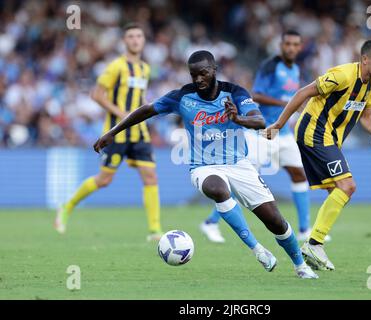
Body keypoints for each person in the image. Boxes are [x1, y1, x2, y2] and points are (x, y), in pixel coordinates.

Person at [93, 50, 318, 279]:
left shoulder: (235, 93)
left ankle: (300, 265)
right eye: (193, 75)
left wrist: (238, 119)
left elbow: (259, 120)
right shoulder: (183, 97)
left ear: (214, 70)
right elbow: (146, 110)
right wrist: (113, 132)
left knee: (276, 221)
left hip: (238, 164)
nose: (198, 79)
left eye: (203, 73)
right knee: (218, 189)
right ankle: (257, 249)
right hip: (203, 167)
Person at [265, 39, 371, 271]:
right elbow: (303, 92)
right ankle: (314, 244)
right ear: (365, 59)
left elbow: (366, 114)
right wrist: (279, 124)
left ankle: (313, 246)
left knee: (338, 191)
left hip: (330, 138)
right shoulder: (342, 75)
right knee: (348, 186)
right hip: (314, 132)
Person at [200, 30, 330, 243]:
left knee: (299, 175)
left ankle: (305, 229)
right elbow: (256, 94)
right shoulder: (270, 66)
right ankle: (211, 222)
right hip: (262, 132)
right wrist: (288, 104)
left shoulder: (295, 69)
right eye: (287, 43)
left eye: (295, 44)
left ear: (299, 47)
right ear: (281, 45)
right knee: (242, 181)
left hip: (284, 133)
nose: (291, 47)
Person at [55, 23, 163, 241]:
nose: (135, 40)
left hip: (140, 132)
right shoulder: (116, 66)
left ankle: (154, 230)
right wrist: (122, 114)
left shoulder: (145, 68)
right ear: (125, 41)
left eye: (138, 36)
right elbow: (96, 94)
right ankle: (68, 206)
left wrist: (145, 113)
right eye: (130, 36)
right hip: (117, 132)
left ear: (143, 41)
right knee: (104, 180)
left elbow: (139, 97)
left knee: (150, 177)